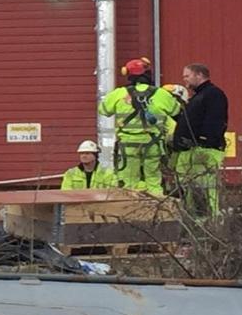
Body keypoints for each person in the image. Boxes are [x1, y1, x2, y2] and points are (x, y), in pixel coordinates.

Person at [98, 58, 180, 196]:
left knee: (129, 182)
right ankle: (157, 209)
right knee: (153, 180)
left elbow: (104, 110)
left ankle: (131, 211)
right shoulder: (161, 93)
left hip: (128, 146)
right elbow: (176, 111)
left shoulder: (119, 93)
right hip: (152, 144)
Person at [172, 64, 229, 217]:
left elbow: (215, 120)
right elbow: (192, 121)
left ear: (199, 75)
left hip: (205, 150)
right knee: (190, 189)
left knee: (205, 188)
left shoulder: (213, 94)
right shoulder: (198, 97)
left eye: (187, 76)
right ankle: (195, 219)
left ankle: (210, 221)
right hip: (192, 150)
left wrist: (204, 141)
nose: (184, 80)